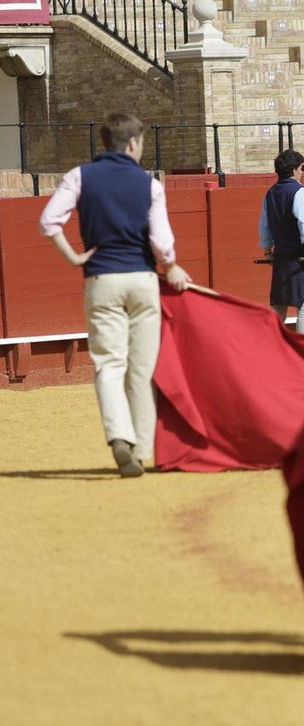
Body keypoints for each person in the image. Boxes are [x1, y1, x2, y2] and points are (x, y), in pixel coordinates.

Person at [38, 111, 191, 477]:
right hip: (142, 280)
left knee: (109, 364)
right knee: (141, 369)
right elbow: (161, 242)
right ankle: (140, 447)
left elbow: (48, 221)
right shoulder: (149, 184)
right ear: (134, 144)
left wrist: (74, 256)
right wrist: (171, 266)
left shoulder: (80, 176)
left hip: (102, 279)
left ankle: (119, 437)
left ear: (106, 142)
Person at [259, 149, 304, 334]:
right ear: (294, 169)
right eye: (301, 168)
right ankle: (303, 355)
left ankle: (270, 348)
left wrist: (267, 251)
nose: (302, 172)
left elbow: (264, 224)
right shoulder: (298, 191)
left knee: (279, 308)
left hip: (281, 258)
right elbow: (303, 222)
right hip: (299, 258)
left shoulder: (270, 193)